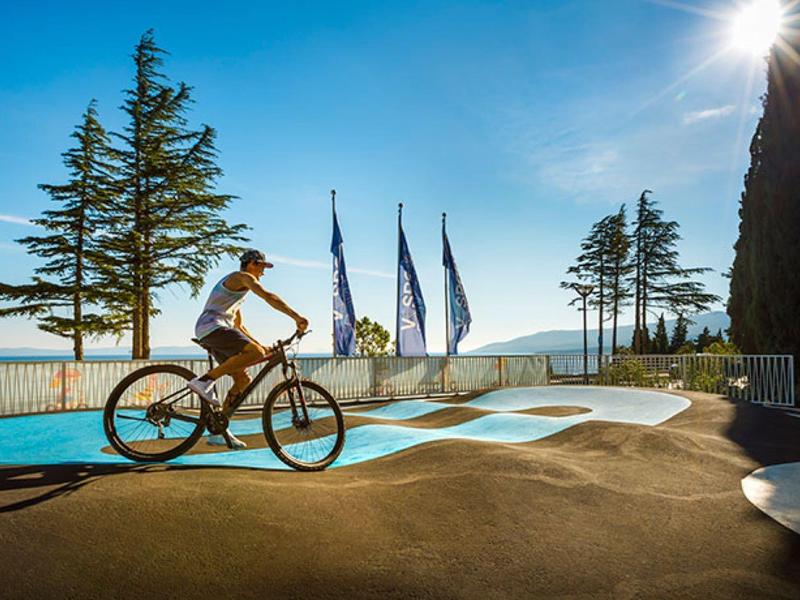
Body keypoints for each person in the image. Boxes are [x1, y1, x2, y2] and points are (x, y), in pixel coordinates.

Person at [188, 249, 308, 448]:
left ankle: (219, 431)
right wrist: (296, 317)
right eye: (262, 267)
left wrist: (261, 346)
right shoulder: (242, 277)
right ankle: (204, 381)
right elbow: (268, 296)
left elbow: (239, 327)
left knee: (243, 380)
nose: (263, 272)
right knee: (255, 353)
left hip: (216, 330)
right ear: (252, 263)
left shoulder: (237, 294)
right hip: (212, 327)